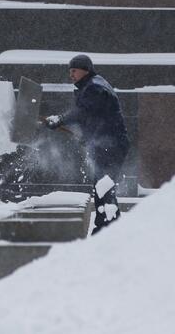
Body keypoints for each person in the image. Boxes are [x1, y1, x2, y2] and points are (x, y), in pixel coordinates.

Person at [41, 54, 130, 235]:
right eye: (70, 71)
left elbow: (83, 112)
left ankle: (108, 227)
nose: (71, 75)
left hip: (110, 145)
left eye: (74, 70)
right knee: (102, 184)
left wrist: (60, 119)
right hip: (108, 142)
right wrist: (88, 137)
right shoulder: (93, 85)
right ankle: (107, 226)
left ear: (85, 70)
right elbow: (95, 117)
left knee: (103, 184)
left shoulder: (94, 87)